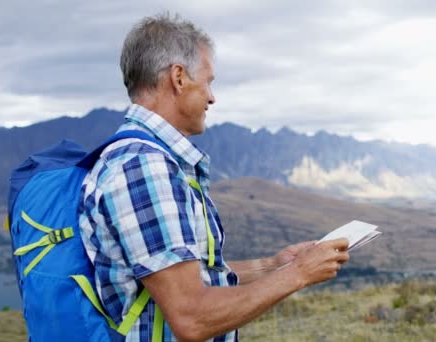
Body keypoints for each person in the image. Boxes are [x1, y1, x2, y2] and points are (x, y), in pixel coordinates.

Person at [78, 13, 350, 342]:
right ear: (178, 77)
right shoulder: (143, 166)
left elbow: (188, 276)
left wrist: (273, 265)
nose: (212, 97)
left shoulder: (152, 161)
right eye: (208, 81)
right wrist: (299, 273)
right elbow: (191, 316)